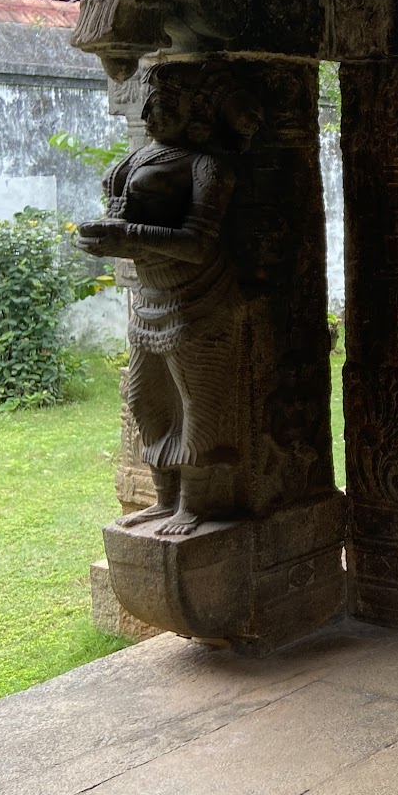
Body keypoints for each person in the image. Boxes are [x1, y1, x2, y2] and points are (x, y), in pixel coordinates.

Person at [75, 62, 259, 536]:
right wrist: (107, 237)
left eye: (167, 105)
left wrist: (128, 236)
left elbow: (198, 243)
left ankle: (193, 505)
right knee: (144, 399)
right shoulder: (138, 159)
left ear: (195, 111)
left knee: (197, 403)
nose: (153, 114)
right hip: (150, 295)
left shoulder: (206, 166)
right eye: (150, 105)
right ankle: (163, 498)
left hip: (198, 299)